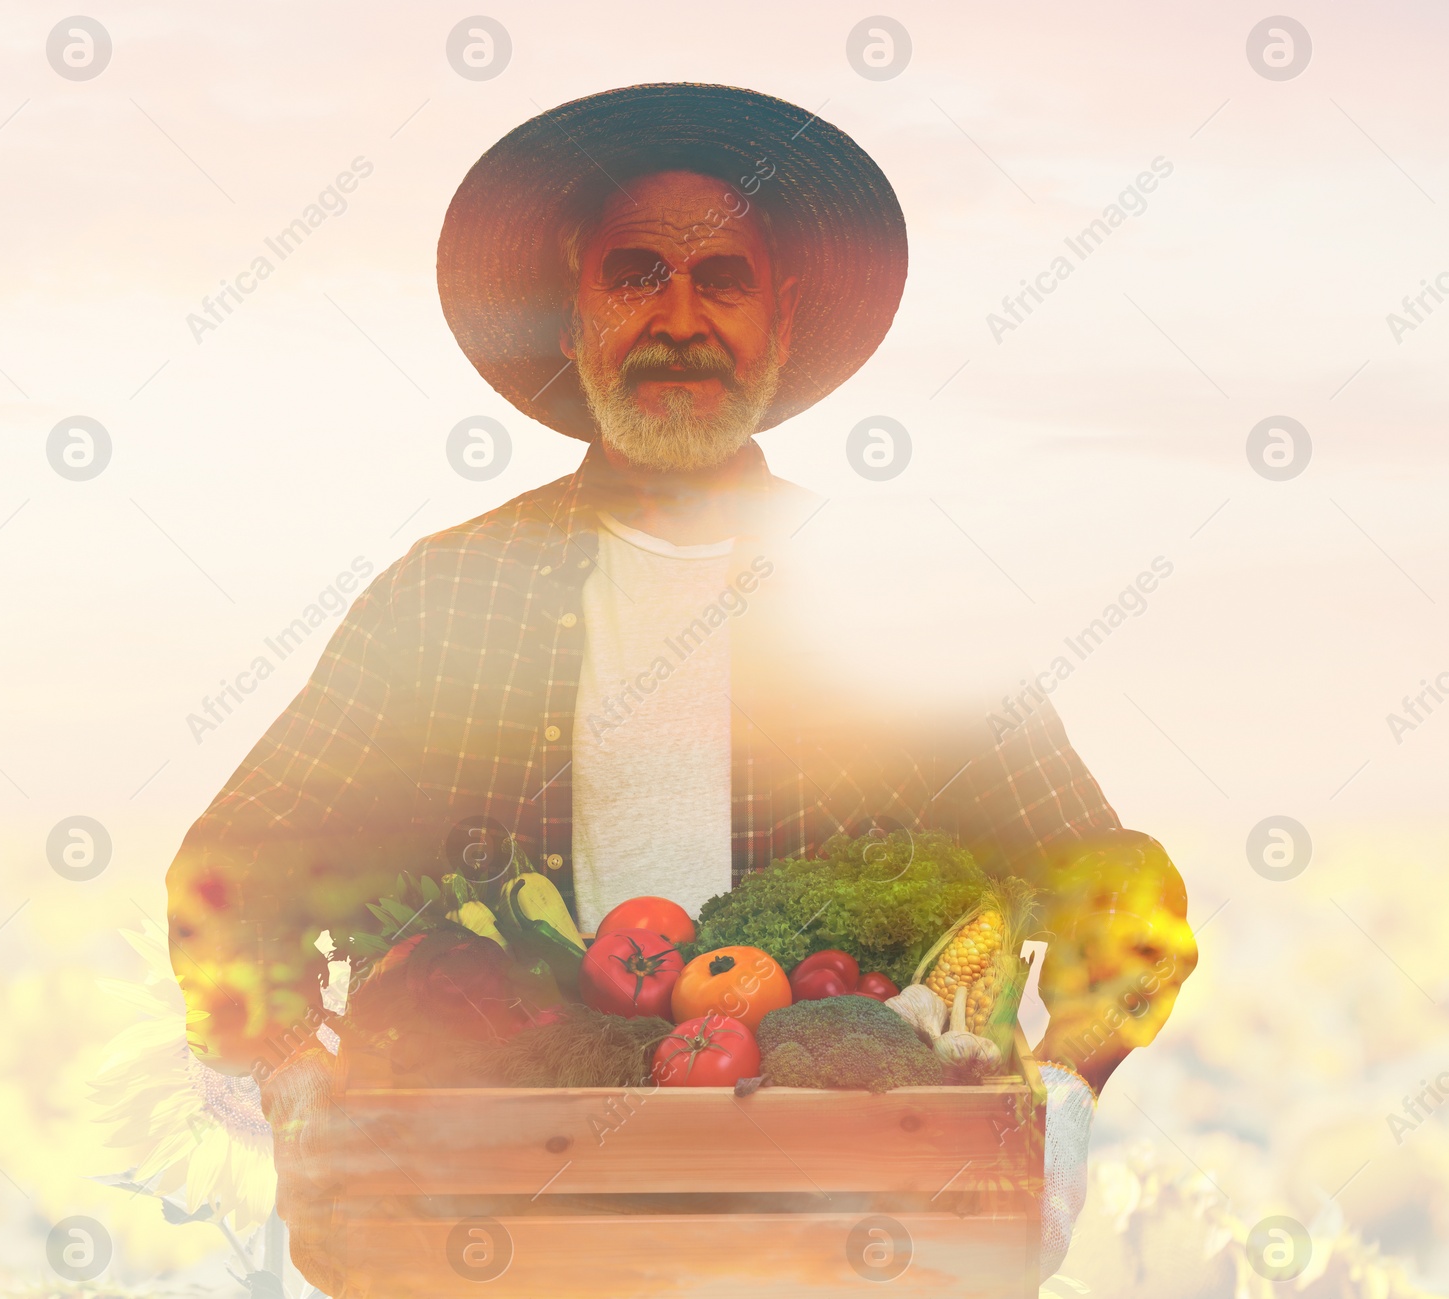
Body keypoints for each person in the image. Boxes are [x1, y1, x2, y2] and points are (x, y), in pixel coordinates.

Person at [165, 83, 1196, 1288]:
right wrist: (298, 1088)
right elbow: (233, 874)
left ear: (780, 319)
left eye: (724, 282)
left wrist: (1062, 1101)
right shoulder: (446, 599)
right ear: (572, 319)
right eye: (635, 274)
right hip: (512, 1231)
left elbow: (1113, 898)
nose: (680, 318)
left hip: (839, 1235)